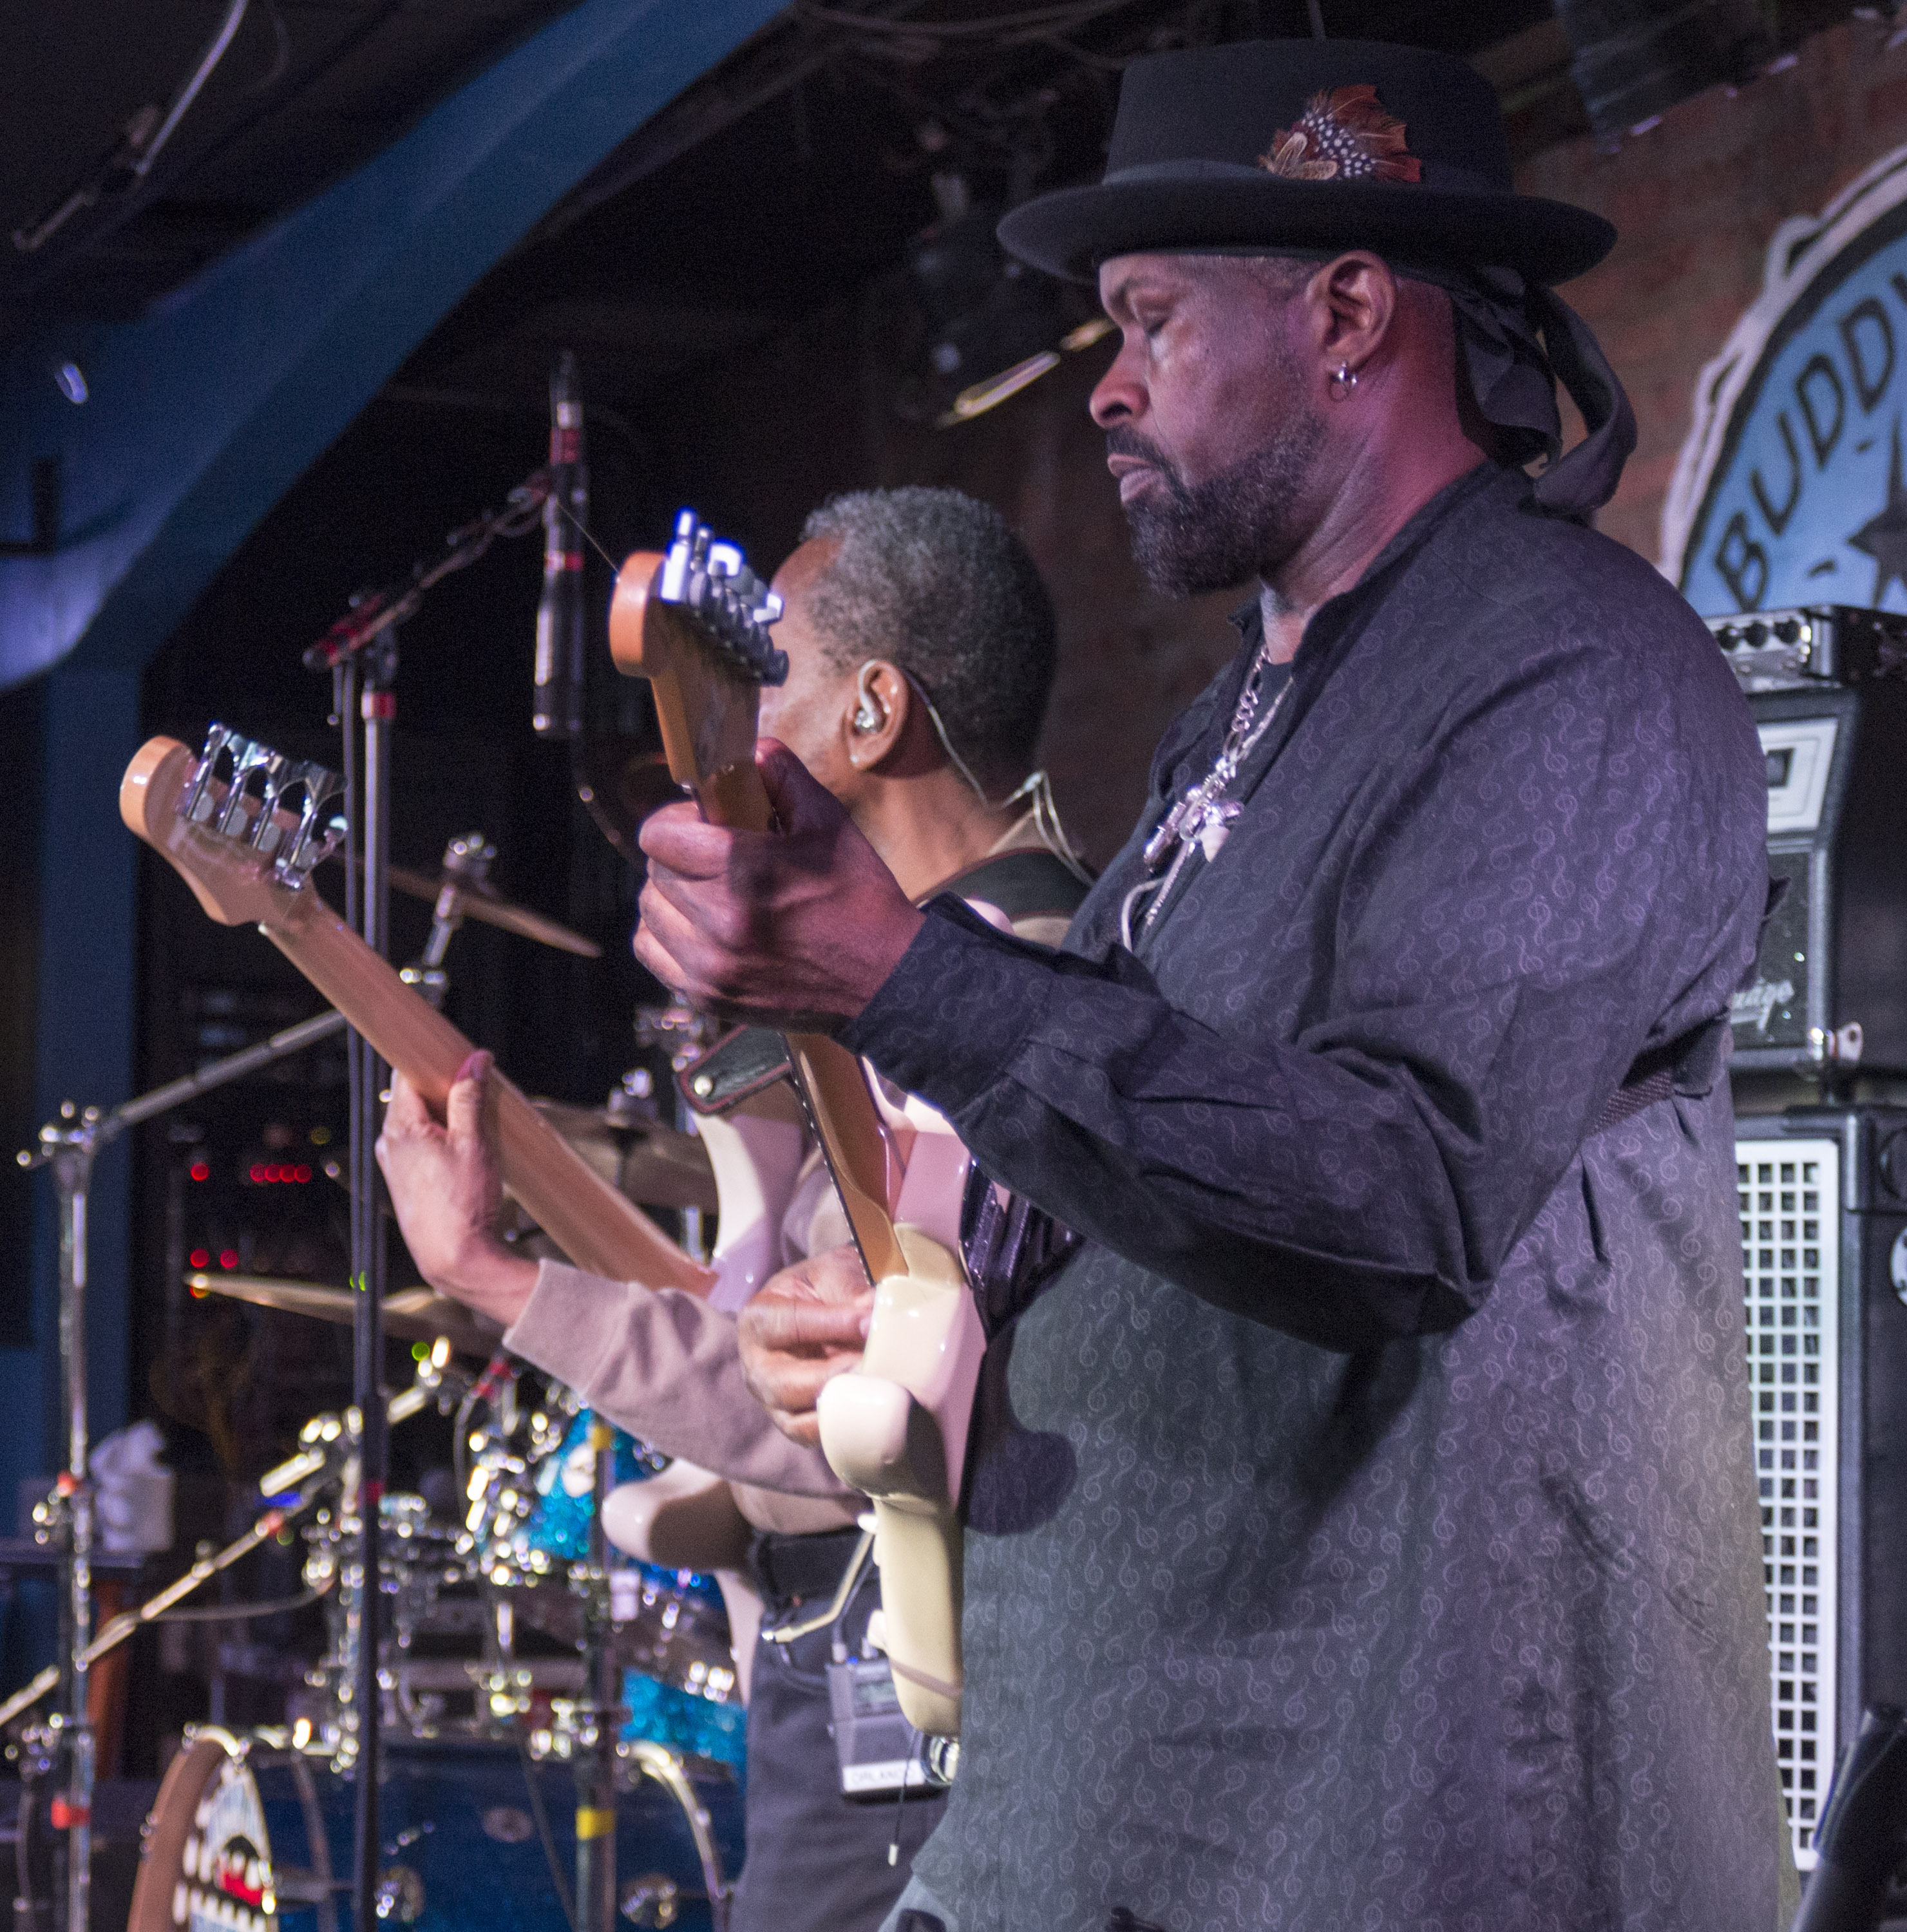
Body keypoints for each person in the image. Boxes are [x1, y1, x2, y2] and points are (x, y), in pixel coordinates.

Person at [628, 39, 1791, 1932]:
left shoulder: (1570, 672)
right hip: (1110, 1806)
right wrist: (910, 1302)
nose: (1106, 383)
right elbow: (1136, 1145)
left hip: (1393, 1832)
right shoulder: (1237, 717)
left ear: (1345, 314)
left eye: (1150, 319)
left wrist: (901, 971)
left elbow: (1399, 1196)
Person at [375, 485, 1090, 1932]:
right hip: (859, 1657)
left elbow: (854, 1421)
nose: (742, 734)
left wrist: (490, 1276)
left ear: (873, 712)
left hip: (917, 1682)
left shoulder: (994, 995)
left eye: (771, 677)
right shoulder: (972, 983)